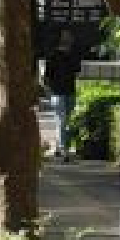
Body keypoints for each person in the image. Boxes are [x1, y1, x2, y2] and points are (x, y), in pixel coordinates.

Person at [42, 29, 83, 161]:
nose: (69, 38)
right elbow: (47, 76)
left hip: (70, 91)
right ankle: (64, 150)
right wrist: (48, 90)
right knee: (62, 120)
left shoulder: (73, 54)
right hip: (57, 93)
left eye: (70, 35)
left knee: (67, 121)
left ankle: (60, 148)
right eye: (66, 36)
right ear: (60, 38)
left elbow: (77, 71)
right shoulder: (52, 55)